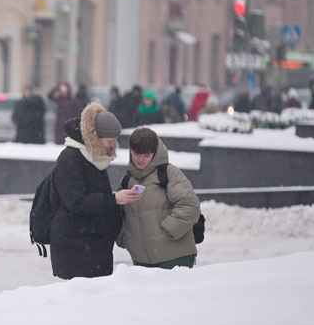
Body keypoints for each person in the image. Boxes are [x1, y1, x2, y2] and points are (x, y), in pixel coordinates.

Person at [49, 102, 141, 279]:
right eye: (109, 141)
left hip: (94, 246)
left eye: (115, 141)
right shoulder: (71, 159)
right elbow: (76, 203)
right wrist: (114, 200)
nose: (113, 146)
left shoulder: (94, 158)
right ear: (94, 138)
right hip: (76, 249)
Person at [116, 127, 201, 269]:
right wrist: (125, 238)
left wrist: (166, 232)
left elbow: (189, 206)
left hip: (175, 259)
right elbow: (119, 215)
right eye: (137, 154)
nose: (141, 159)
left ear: (155, 153)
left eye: (146, 155)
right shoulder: (126, 181)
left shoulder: (169, 173)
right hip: (141, 262)